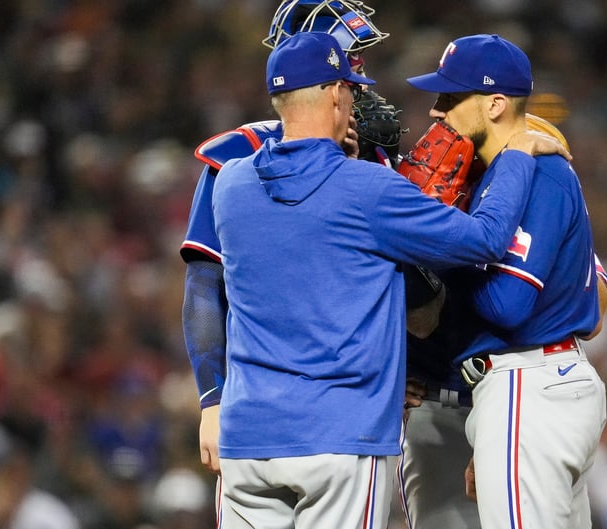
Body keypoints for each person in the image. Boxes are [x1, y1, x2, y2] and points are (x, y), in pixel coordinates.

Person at [211, 30, 539, 528]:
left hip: (247, 440)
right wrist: (517, 152)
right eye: (351, 88)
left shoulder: (231, 185)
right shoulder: (369, 189)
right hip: (338, 438)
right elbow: (488, 239)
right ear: (337, 94)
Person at [179, 0, 392, 477]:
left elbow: (399, 284)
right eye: (350, 64)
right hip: (261, 410)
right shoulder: (237, 158)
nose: (360, 80)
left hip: (355, 408)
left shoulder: (379, 162)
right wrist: (211, 400)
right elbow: (204, 287)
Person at [404, 34, 607, 529]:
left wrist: (442, 245)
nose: (435, 111)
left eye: (450, 98)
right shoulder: (489, 177)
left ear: (496, 103)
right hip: (522, 387)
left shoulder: (539, 173)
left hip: (527, 383)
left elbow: (508, 304)